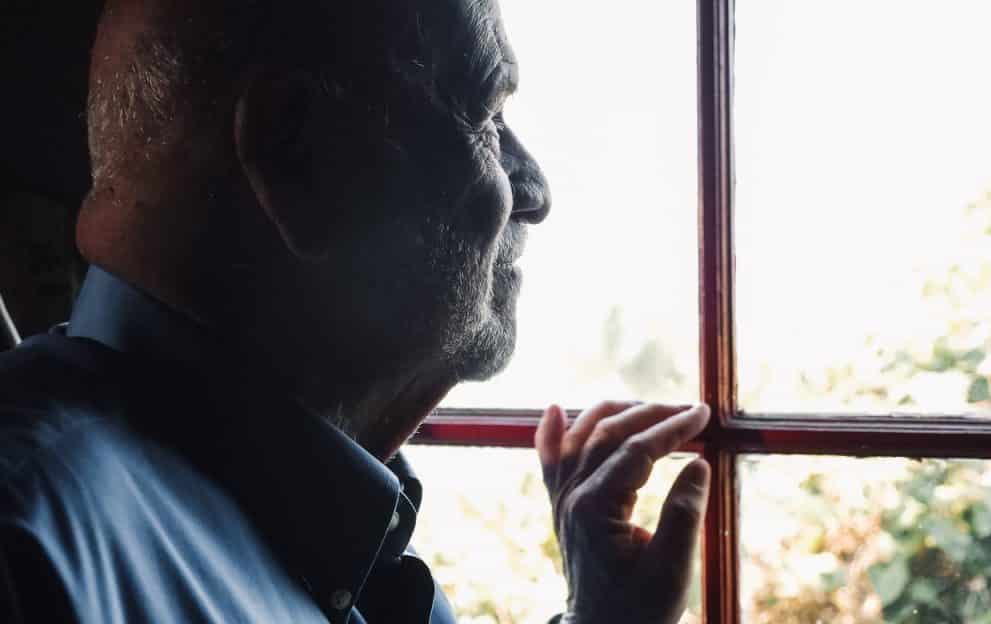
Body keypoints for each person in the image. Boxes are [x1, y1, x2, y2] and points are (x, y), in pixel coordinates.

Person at [0, 0, 712, 622]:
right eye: (489, 117)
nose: (536, 189)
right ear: (296, 154)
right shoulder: (28, 550)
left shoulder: (304, 522)